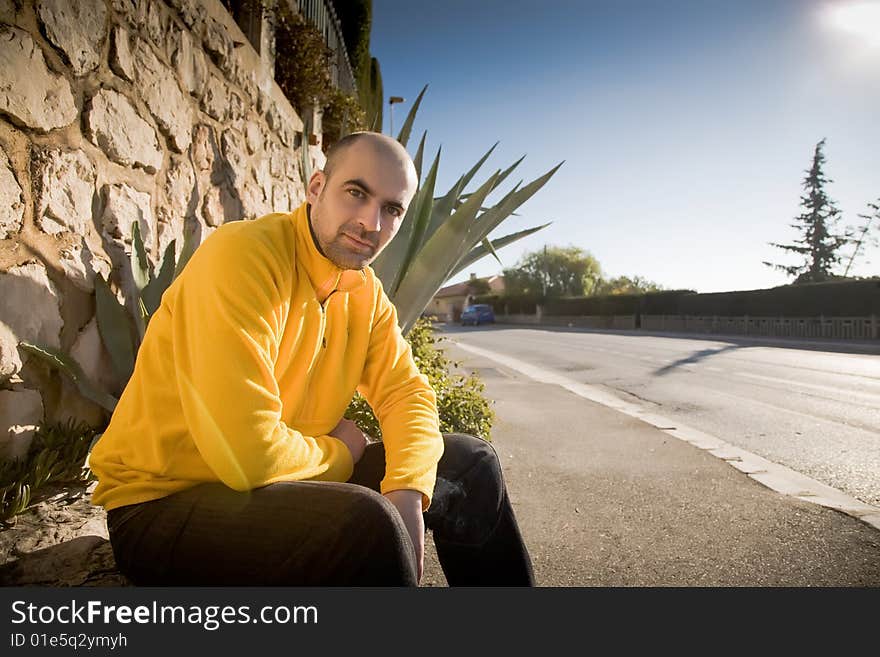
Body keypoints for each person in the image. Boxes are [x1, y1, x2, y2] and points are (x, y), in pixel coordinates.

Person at [89, 131, 534, 586]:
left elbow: (406, 393)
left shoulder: (364, 293)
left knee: (470, 465)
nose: (371, 222)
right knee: (366, 525)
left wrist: (408, 487)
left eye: (391, 209)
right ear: (316, 188)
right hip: (161, 504)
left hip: (278, 484)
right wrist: (344, 450)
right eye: (356, 193)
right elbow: (246, 457)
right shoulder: (244, 257)